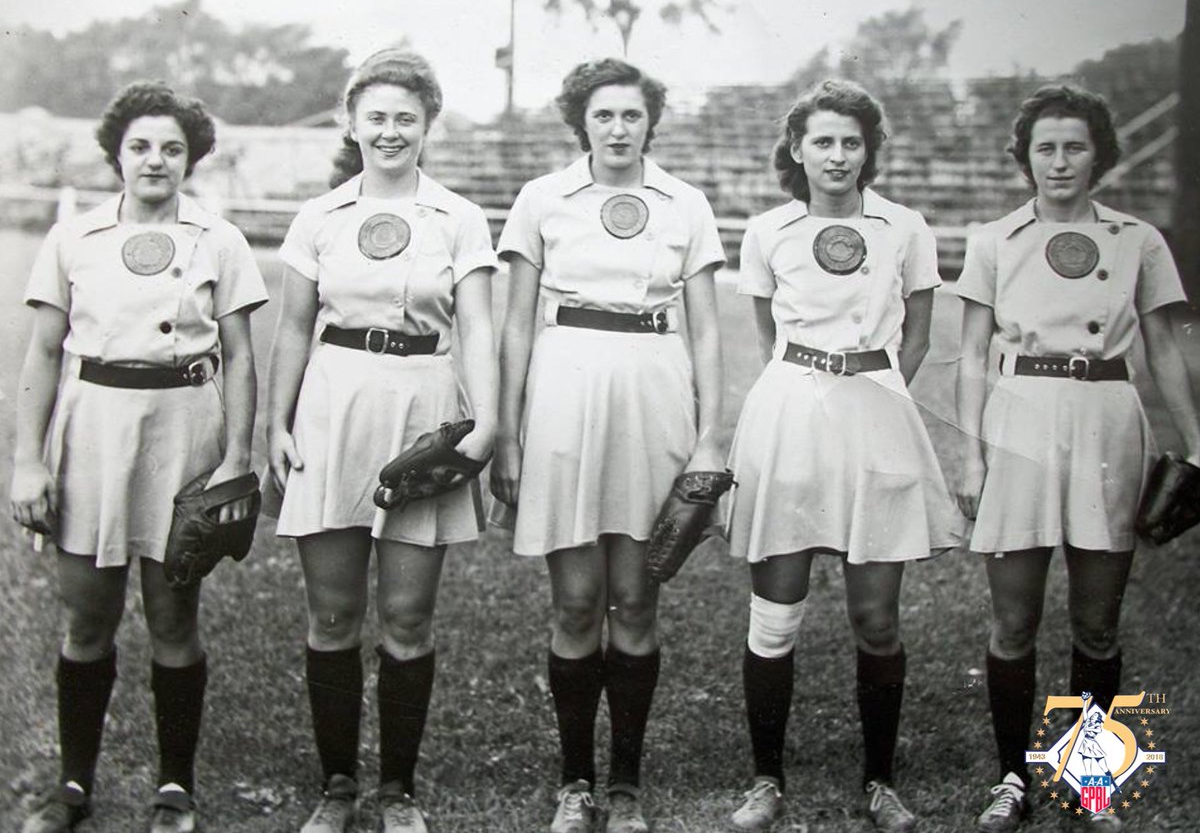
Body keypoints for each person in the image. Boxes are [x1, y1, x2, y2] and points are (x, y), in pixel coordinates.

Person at [9, 81, 267, 833]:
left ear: (192, 158)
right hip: (92, 429)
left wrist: (236, 459)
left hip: (185, 429)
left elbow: (242, 358)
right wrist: (28, 461)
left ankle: (175, 788)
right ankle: (71, 786)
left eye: (172, 148)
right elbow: (44, 353)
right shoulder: (73, 237)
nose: (156, 160)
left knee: (172, 615)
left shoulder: (218, 237)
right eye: (140, 146)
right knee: (85, 616)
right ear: (116, 154)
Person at [956, 84, 1200, 833]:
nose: (1059, 162)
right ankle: (1011, 780)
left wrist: (1196, 444)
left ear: (1100, 154)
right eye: (1045, 148)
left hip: (1105, 417)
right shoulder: (995, 238)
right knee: (1013, 621)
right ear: (1025, 158)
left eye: (1074, 146)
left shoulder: (1138, 238)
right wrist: (971, 456)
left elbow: (1161, 347)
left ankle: (1091, 781)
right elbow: (968, 356)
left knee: (1098, 624)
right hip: (1021, 416)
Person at [490, 57, 725, 833]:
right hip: (565, 386)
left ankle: (624, 783)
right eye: (603, 116)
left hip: (654, 387)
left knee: (636, 595)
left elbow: (709, 330)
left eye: (631, 115)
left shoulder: (684, 202)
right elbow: (517, 323)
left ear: (650, 121)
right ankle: (575, 781)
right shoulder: (543, 199)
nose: (618, 129)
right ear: (580, 123)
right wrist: (510, 434)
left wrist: (709, 436)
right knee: (576, 599)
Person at [266, 48, 497, 833]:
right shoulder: (319, 216)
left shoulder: (459, 217)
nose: (391, 130)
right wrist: (277, 422)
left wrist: (490, 420)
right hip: (333, 405)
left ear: (428, 124)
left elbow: (481, 329)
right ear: (351, 122)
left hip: (422, 406)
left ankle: (398, 789)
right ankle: (337, 786)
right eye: (378, 117)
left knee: (407, 616)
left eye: (406, 117)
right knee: (331, 616)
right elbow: (294, 327)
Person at [723, 79, 959, 833]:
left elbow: (917, 332)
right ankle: (766, 779)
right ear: (797, 149)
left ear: (869, 151)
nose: (837, 155)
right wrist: (808, 384)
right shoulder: (767, 230)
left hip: (876, 412)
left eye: (851, 141)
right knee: (776, 612)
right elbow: (767, 332)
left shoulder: (905, 226)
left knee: (876, 616)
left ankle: (881, 782)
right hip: (790, 410)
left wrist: (876, 392)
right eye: (822, 140)